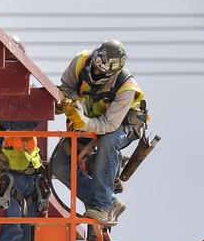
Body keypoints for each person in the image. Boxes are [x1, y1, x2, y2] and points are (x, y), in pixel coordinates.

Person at [53, 40, 147, 224]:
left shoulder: (126, 87)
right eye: (95, 67)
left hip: (122, 126)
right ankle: (108, 202)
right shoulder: (80, 61)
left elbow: (109, 125)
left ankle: (103, 206)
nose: (95, 72)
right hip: (89, 120)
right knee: (59, 166)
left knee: (109, 141)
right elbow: (66, 86)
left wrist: (83, 121)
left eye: (100, 72)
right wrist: (73, 104)